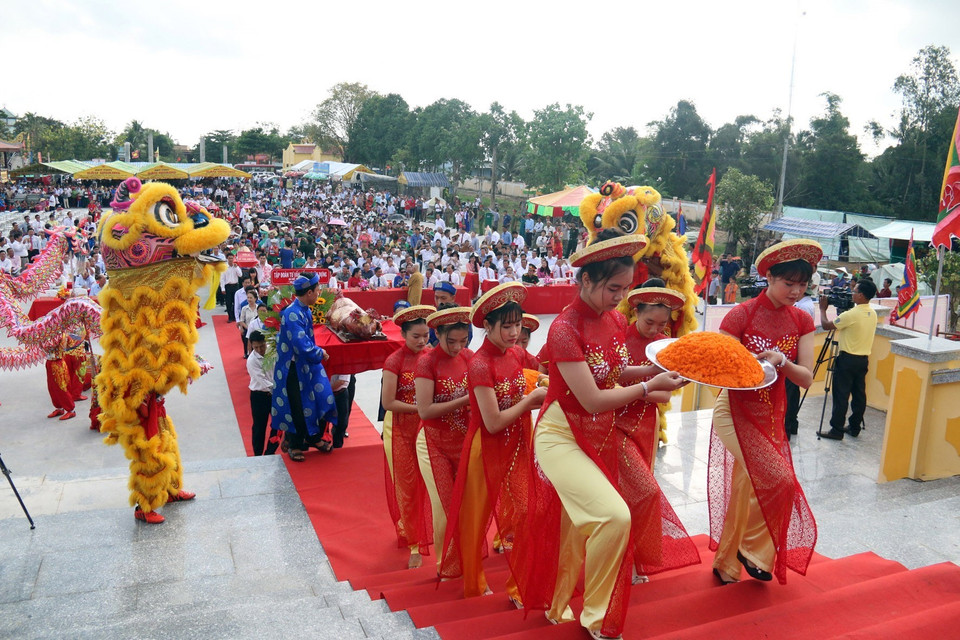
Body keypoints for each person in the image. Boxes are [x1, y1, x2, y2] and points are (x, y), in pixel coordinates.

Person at [513, 229, 685, 640]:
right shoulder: (564, 330)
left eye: (625, 289)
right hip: (562, 434)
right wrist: (648, 389)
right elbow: (591, 397)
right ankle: (597, 618)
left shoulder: (611, 320)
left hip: (600, 434)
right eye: (612, 288)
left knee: (575, 529)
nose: (618, 298)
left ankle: (569, 608)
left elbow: (613, 371)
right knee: (614, 515)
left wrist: (651, 371)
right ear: (585, 280)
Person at [709, 239, 820, 588]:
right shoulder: (741, 314)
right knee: (779, 480)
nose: (796, 291)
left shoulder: (802, 319)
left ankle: (727, 563)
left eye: (802, 284)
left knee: (746, 487)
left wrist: (781, 360)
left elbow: (806, 378)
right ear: (769, 278)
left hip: (772, 415)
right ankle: (751, 550)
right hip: (735, 410)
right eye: (789, 282)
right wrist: (750, 363)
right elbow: (718, 368)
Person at [441, 283, 548, 602]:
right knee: (475, 521)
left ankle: (520, 586)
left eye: (518, 324)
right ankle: (474, 584)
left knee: (531, 512)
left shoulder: (516, 353)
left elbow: (542, 365)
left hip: (516, 445)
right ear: (487, 326)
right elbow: (492, 421)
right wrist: (530, 402)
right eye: (507, 325)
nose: (515, 332)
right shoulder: (479, 365)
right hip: (485, 448)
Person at [615, 280, 700, 585]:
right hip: (613, 425)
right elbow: (604, 384)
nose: (654, 329)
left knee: (636, 495)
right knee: (642, 492)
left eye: (662, 324)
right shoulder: (617, 339)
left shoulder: (664, 346)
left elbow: (664, 397)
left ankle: (635, 560)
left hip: (646, 427)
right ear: (635, 311)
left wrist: (649, 388)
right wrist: (648, 387)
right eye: (649, 321)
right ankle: (619, 558)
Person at [415, 305, 474, 575]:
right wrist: (466, 399)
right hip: (433, 442)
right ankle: (448, 565)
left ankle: (468, 561)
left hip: (463, 440)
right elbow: (425, 410)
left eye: (463, 341)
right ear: (437, 334)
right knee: (444, 505)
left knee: (467, 504)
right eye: (451, 341)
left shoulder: (470, 358)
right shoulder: (427, 362)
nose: (457, 347)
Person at [381, 304, 435, 570]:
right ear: (403, 334)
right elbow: (388, 402)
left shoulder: (432, 357)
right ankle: (414, 541)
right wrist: (423, 407)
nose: (423, 340)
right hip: (401, 429)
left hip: (428, 427)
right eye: (416, 336)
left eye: (426, 335)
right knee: (408, 483)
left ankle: (429, 529)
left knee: (430, 481)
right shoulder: (394, 361)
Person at [270, 273, 337, 462]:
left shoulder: (305, 309)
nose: (319, 293)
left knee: (318, 399)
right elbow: (301, 344)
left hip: (305, 365)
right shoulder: (292, 313)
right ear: (309, 292)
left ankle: (313, 437)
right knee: (297, 406)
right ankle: (295, 443)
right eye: (317, 291)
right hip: (293, 368)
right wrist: (319, 353)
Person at [818, 278, 878, 440]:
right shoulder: (872, 313)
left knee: (841, 395)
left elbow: (826, 325)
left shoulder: (851, 314)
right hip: (863, 359)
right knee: (859, 395)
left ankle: (836, 430)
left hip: (847, 360)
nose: (852, 294)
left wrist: (823, 309)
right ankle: (854, 426)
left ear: (862, 296)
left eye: (855, 291)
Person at [784, 274, 819, 440]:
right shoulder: (804, 304)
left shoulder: (803, 308)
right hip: (795, 354)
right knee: (792, 392)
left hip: (795, 354)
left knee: (790, 392)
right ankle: (792, 423)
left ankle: (789, 425)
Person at [247, 331, 280, 456]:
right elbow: (263, 381)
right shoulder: (252, 361)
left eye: (262, 346)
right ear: (251, 346)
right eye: (256, 347)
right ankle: (258, 455)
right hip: (259, 396)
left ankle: (270, 451)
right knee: (259, 427)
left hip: (274, 393)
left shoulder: (272, 350)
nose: (260, 349)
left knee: (278, 423)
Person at [237, 287, 259, 358]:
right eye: (248, 298)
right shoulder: (244, 308)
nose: (249, 299)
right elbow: (242, 320)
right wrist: (247, 327)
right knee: (248, 344)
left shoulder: (259, 308)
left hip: (257, 330)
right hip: (247, 329)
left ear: (255, 299)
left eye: (251, 298)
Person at [221, 254, 242, 322]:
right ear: (227, 259)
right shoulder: (225, 267)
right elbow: (222, 279)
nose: (231, 260)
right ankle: (230, 317)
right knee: (228, 302)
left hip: (235, 285)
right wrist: (222, 288)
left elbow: (240, 275)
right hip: (228, 286)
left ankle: (236, 316)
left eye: (232, 258)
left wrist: (236, 268)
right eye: (229, 258)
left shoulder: (236, 266)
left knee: (236, 302)